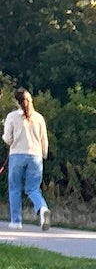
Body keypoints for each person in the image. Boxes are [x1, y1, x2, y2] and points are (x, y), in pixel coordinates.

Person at [4, 89, 49, 230]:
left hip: (17, 155)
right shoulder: (39, 118)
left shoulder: (12, 117)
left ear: (16, 102)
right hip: (35, 156)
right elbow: (44, 139)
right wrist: (44, 154)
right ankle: (42, 209)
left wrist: (5, 139)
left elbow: (8, 139)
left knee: (15, 189)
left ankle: (16, 221)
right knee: (33, 189)